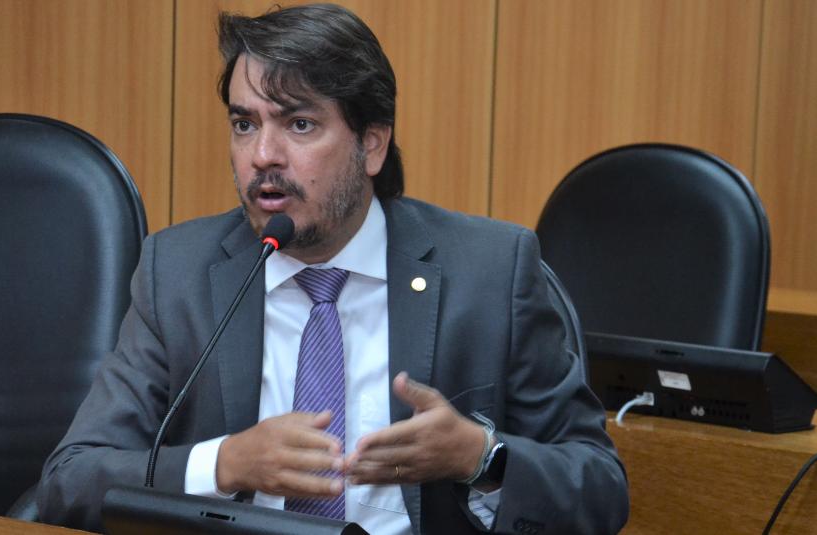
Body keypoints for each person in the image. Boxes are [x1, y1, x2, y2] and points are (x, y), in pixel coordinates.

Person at [36, 4, 629, 534]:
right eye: (245, 124)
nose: (262, 156)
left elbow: (600, 489)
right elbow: (71, 479)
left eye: (299, 124)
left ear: (371, 144)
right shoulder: (178, 272)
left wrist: (480, 457)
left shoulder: (491, 271)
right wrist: (224, 463)